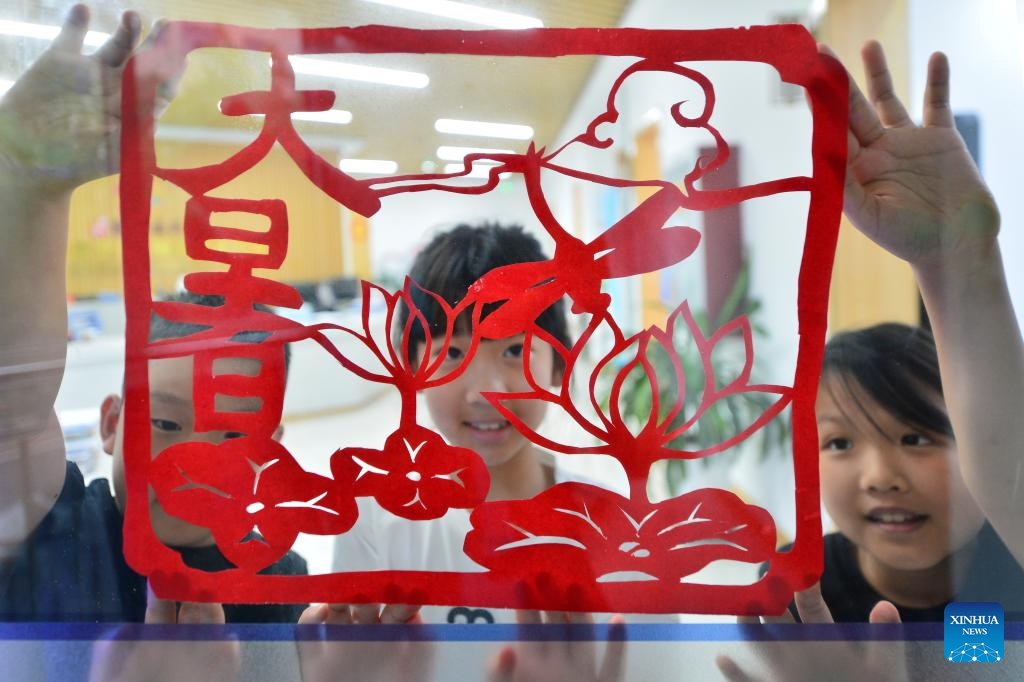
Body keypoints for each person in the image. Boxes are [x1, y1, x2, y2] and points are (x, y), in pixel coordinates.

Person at [0, 6, 307, 622]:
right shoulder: (55, 531)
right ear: (111, 422)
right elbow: (15, 414)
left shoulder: (282, 582)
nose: (192, 461)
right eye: (163, 426)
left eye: (232, 438)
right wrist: (27, 181)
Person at [329, 222, 579, 625]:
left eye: (516, 349)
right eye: (451, 352)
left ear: (558, 363)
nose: (484, 392)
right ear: (411, 366)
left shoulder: (613, 527)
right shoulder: (372, 521)